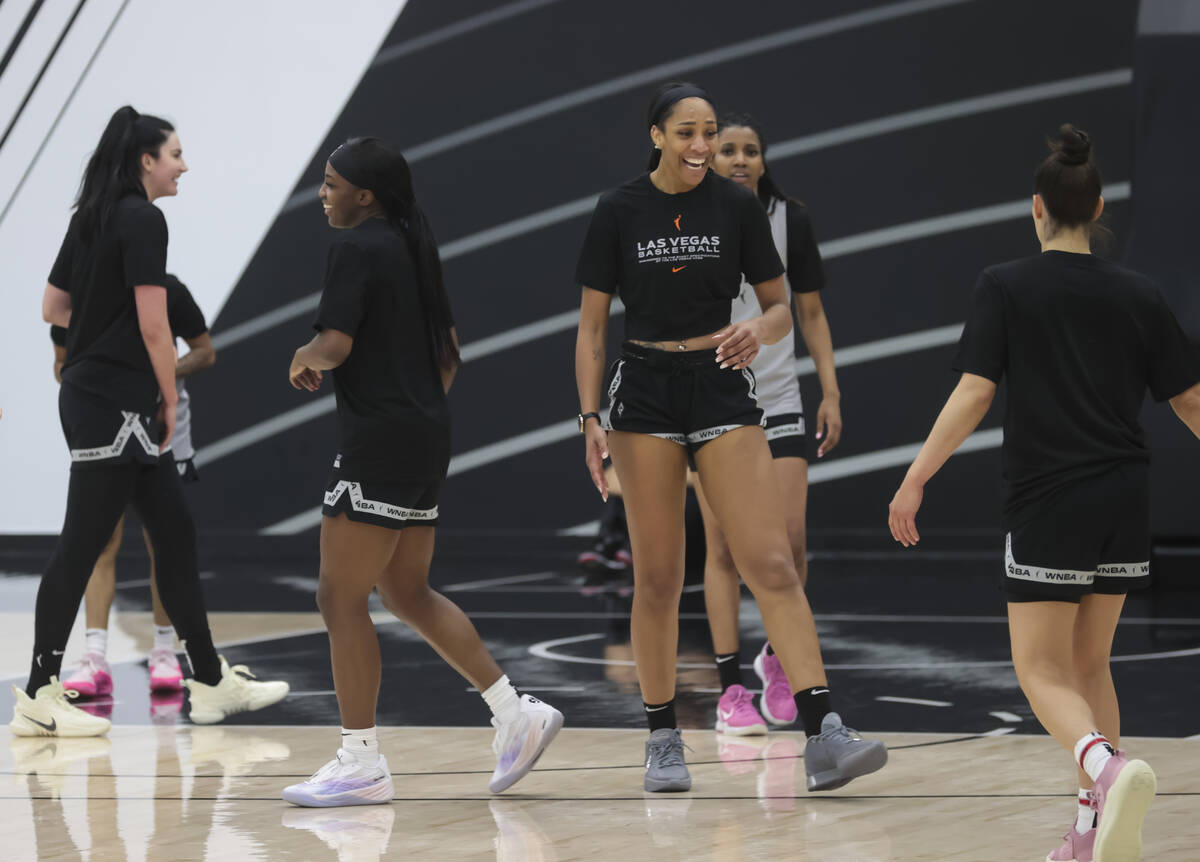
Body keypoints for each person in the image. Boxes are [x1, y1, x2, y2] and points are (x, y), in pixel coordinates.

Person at [888, 124, 1200, 862]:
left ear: (1038, 208)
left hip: (1048, 499)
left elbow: (972, 394)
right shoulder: (1140, 292)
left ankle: (1106, 767)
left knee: (1039, 670)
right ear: (1097, 207)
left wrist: (916, 476)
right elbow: (1190, 401)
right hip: (1125, 498)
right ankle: (1095, 828)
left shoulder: (1005, 284)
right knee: (1092, 666)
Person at [574, 82, 885, 792]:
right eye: (687, 132)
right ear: (656, 135)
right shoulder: (618, 209)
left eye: (709, 133)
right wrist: (590, 419)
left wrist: (758, 329)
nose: (702, 146)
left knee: (771, 563)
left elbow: (781, 309)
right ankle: (662, 740)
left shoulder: (736, 205)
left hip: (719, 384)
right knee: (657, 576)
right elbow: (593, 330)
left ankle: (826, 734)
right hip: (645, 391)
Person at [281, 137, 563, 808]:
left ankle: (361, 760)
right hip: (425, 436)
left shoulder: (355, 248)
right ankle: (513, 715)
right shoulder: (413, 249)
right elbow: (451, 355)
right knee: (406, 592)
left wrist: (305, 353)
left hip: (377, 440)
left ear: (364, 195)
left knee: (337, 597)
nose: (322, 193)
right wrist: (414, 406)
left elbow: (336, 343)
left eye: (331, 183)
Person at [9, 106, 288, 738]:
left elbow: (53, 305)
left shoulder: (93, 217)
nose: (184, 165)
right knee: (83, 542)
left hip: (101, 395)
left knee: (175, 533)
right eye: (176, 154)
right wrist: (168, 395)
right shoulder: (143, 218)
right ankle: (37, 693)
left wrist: (97, 318)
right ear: (146, 161)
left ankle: (211, 681)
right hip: (115, 400)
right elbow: (156, 327)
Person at [699, 112, 842, 735]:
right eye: (727, 149)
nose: (737, 159)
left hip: (780, 399)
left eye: (749, 151)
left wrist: (830, 390)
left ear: (763, 161)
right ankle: (730, 687)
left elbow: (809, 311)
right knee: (724, 548)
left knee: (791, 541)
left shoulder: (792, 219)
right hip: (708, 402)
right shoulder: (689, 220)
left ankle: (780, 660)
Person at [54, 274, 216, 699]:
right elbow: (61, 363)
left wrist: (161, 372)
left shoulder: (169, 289)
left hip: (163, 423)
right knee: (100, 540)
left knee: (162, 541)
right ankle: (94, 657)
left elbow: (204, 352)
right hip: (105, 423)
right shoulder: (80, 295)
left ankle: (164, 651)